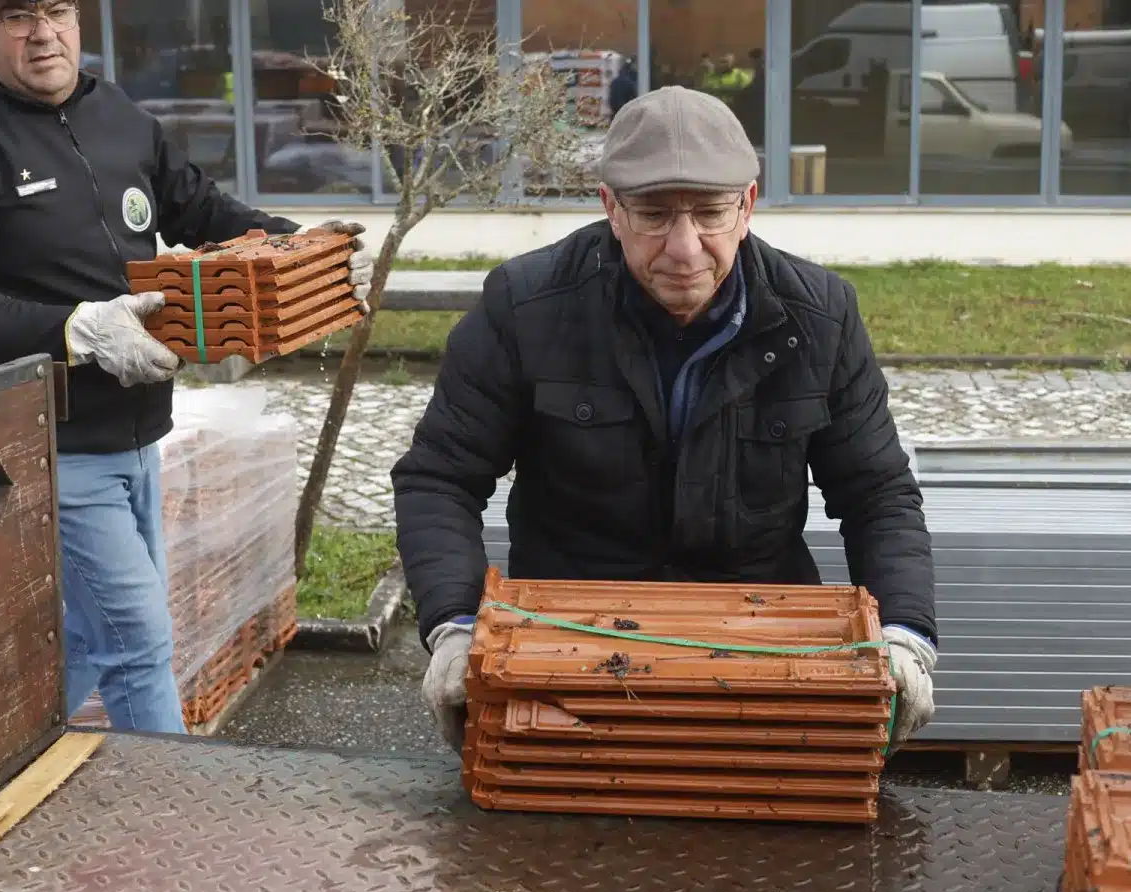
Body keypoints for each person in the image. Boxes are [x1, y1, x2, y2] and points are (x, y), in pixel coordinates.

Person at [392, 86, 937, 755]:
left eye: (709, 213)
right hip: (567, 656)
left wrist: (905, 635)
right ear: (610, 209)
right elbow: (440, 476)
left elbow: (878, 494)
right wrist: (452, 627)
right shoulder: (526, 308)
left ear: (747, 207)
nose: (685, 250)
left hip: (760, 653)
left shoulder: (820, 318)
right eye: (653, 215)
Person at [0, 0, 370, 735]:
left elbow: (201, 210)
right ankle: (173, 825)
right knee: (139, 643)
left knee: (88, 635)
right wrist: (74, 329)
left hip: (137, 434)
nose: (44, 33)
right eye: (18, 15)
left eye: (57, 9)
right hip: (45, 446)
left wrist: (306, 251)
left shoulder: (116, 115)